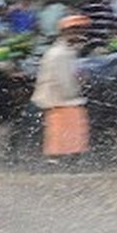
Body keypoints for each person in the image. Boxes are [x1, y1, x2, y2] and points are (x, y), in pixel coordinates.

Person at [31, 14, 90, 165]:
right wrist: (79, 89)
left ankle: (63, 160)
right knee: (62, 135)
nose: (80, 35)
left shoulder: (66, 51)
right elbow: (66, 83)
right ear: (66, 33)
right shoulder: (60, 54)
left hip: (60, 98)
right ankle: (57, 161)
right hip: (59, 100)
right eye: (77, 31)